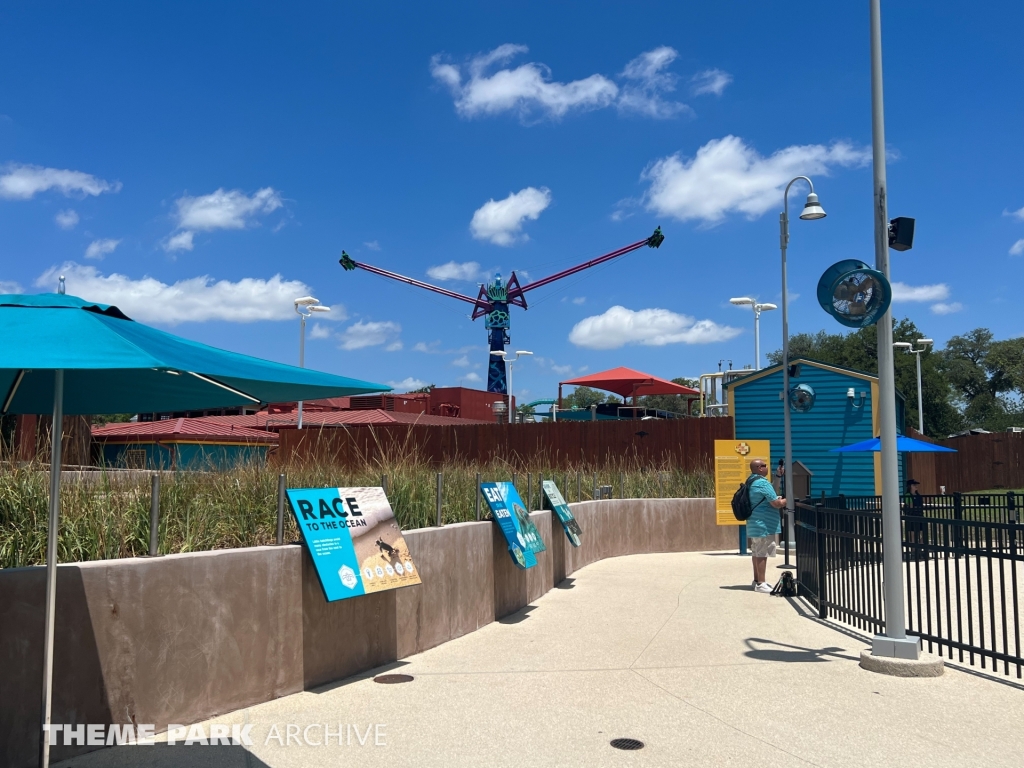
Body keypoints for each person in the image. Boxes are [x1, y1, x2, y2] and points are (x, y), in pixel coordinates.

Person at [747, 458, 786, 593]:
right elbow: (776, 503)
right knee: (762, 553)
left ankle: (757, 580)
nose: (767, 467)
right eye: (765, 465)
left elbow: (771, 493)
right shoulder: (762, 483)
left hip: (755, 522)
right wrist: (788, 499)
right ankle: (761, 584)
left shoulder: (751, 481)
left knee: (756, 551)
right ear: (759, 468)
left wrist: (778, 476)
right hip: (764, 523)